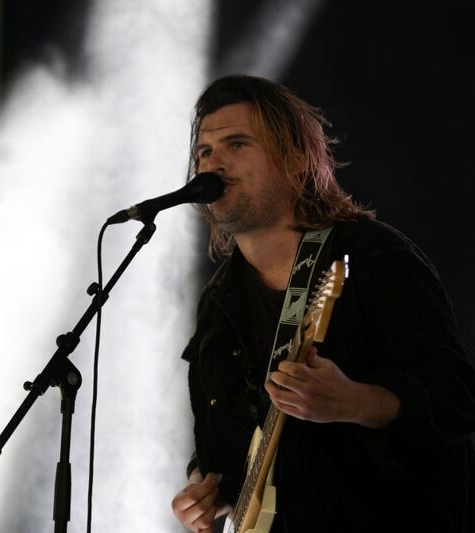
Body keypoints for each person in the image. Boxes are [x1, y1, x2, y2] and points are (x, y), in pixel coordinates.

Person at [170, 74, 475, 532]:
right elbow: (220, 445)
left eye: (237, 145)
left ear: (295, 159)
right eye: (205, 152)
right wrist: (204, 489)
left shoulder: (373, 259)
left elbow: (457, 399)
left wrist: (354, 402)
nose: (214, 165)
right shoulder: (219, 300)